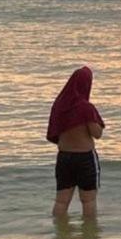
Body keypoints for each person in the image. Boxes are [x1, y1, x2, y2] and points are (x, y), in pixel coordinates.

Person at [46, 66, 105, 218]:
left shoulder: (60, 105)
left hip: (64, 157)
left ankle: (60, 238)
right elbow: (96, 134)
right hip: (84, 158)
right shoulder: (86, 108)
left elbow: (55, 130)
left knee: (61, 202)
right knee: (88, 201)